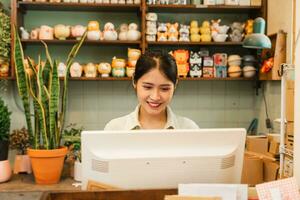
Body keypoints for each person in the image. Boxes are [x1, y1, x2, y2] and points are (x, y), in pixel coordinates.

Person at [104, 52, 199, 130]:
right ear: (134, 81)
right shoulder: (114, 129)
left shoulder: (189, 129)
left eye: (164, 89)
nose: (155, 97)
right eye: (148, 87)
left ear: (175, 85)